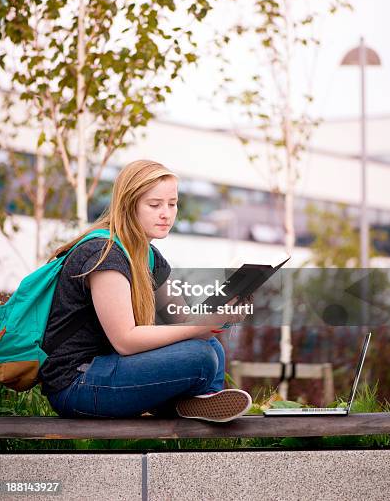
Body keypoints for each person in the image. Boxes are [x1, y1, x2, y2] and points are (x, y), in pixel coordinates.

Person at [39, 159, 252, 422]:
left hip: (110, 372)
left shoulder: (150, 257)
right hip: (77, 384)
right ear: (129, 206)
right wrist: (199, 327)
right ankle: (185, 403)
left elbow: (182, 319)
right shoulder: (103, 254)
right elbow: (125, 340)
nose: (166, 213)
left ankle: (197, 403)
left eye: (172, 204)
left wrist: (222, 313)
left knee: (209, 346)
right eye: (154, 205)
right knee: (201, 356)